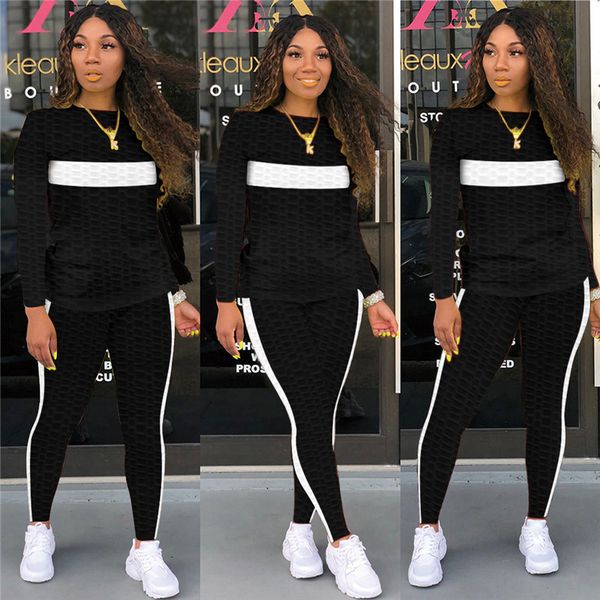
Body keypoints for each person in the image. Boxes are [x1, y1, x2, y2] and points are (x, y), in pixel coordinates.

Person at [408, 7, 600, 588]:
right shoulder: (458, 125)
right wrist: (444, 296)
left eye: (515, 52)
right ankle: (428, 529)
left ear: (537, 59)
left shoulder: (560, 126)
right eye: (490, 51)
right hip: (486, 289)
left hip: (558, 286)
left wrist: (593, 287)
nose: (499, 63)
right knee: (450, 409)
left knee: (544, 409)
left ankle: (536, 523)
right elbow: (442, 219)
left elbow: (571, 217)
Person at [13, 4, 200, 597]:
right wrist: (35, 310)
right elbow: (31, 227)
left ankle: (146, 547)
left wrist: (176, 292)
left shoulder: (151, 132)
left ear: (128, 56)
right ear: (67, 54)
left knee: (143, 425)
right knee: (58, 418)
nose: (91, 57)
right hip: (69, 302)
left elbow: (158, 227)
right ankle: (39, 529)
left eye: (107, 45)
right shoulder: (45, 128)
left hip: (144, 300)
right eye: (80, 45)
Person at [214, 13, 399, 600]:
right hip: (270, 294)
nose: (309, 66)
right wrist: (224, 301)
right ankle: (342, 540)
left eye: (321, 55)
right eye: (296, 54)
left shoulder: (344, 132)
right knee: (311, 414)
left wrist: (372, 294)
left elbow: (347, 230)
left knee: (316, 418)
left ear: (335, 64)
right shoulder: (247, 128)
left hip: (336, 296)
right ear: (277, 61)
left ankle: (299, 532)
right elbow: (228, 223)